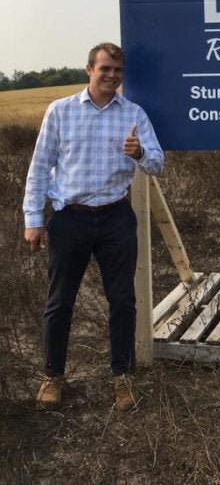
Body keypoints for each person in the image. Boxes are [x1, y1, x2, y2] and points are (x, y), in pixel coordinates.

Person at [23, 42, 164, 411]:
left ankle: (123, 378)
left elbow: (157, 163)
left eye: (117, 71)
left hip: (116, 217)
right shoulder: (61, 111)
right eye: (105, 69)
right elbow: (39, 167)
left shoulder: (133, 113)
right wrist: (33, 219)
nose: (112, 76)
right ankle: (52, 376)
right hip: (70, 218)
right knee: (60, 302)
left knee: (122, 301)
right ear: (89, 69)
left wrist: (140, 154)